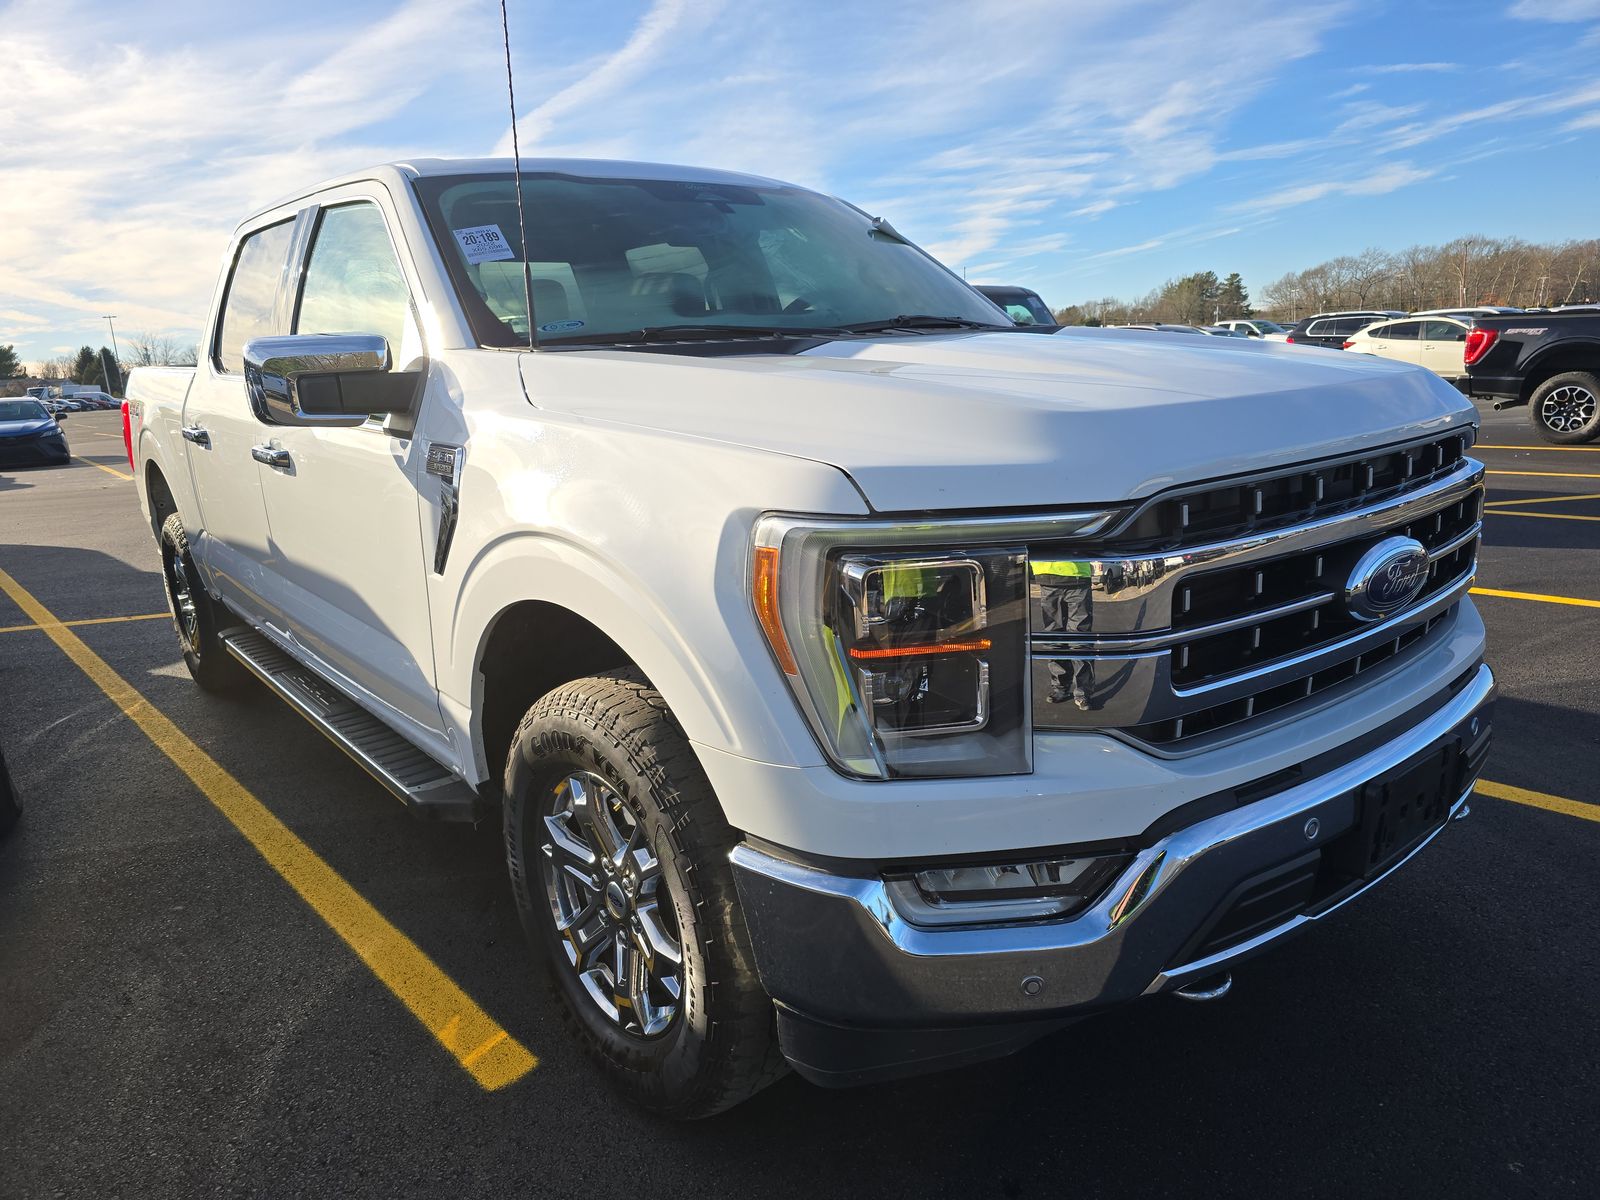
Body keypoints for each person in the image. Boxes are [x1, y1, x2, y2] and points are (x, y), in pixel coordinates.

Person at [1033, 559, 1095, 710]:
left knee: (1079, 640)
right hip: (1047, 578)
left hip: (1077, 577)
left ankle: (1082, 692)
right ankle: (1061, 688)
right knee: (1054, 638)